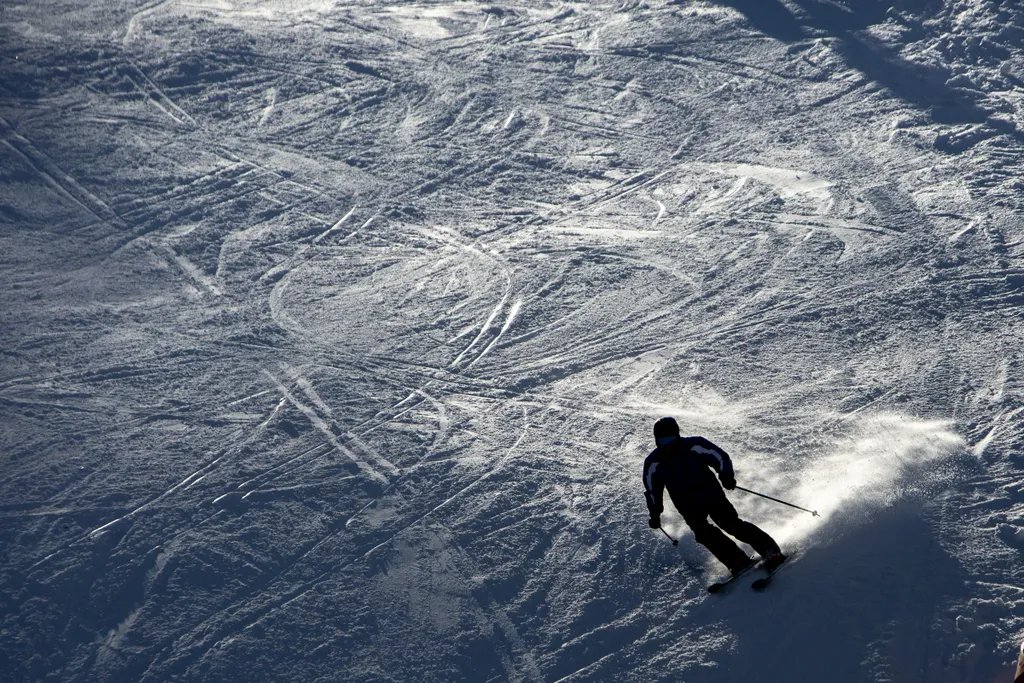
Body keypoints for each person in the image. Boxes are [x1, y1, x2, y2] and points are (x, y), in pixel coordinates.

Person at [643, 416, 785, 575]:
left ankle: (771, 552)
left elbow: (719, 457)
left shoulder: (694, 445)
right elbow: (652, 491)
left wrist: (726, 475)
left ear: (677, 435)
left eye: (670, 438)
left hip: (711, 495)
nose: (667, 444)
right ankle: (736, 560)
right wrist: (655, 513)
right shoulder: (653, 463)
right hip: (687, 506)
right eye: (662, 441)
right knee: (704, 534)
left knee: (731, 524)